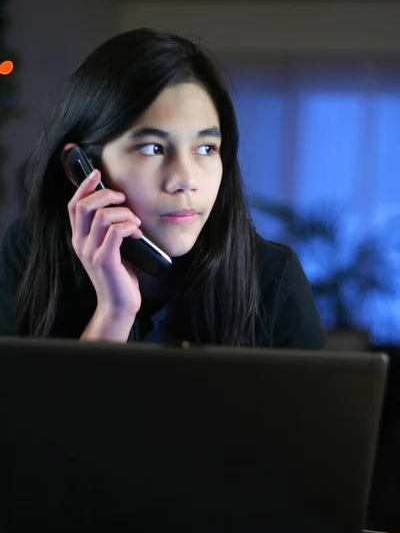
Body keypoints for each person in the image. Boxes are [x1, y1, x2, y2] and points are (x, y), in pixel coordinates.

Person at [0, 28, 325, 348]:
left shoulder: (274, 280)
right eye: (153, 148)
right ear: (80, 168)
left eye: (206, 148)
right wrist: (114, 313)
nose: (185, 179)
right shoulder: (27, 254)